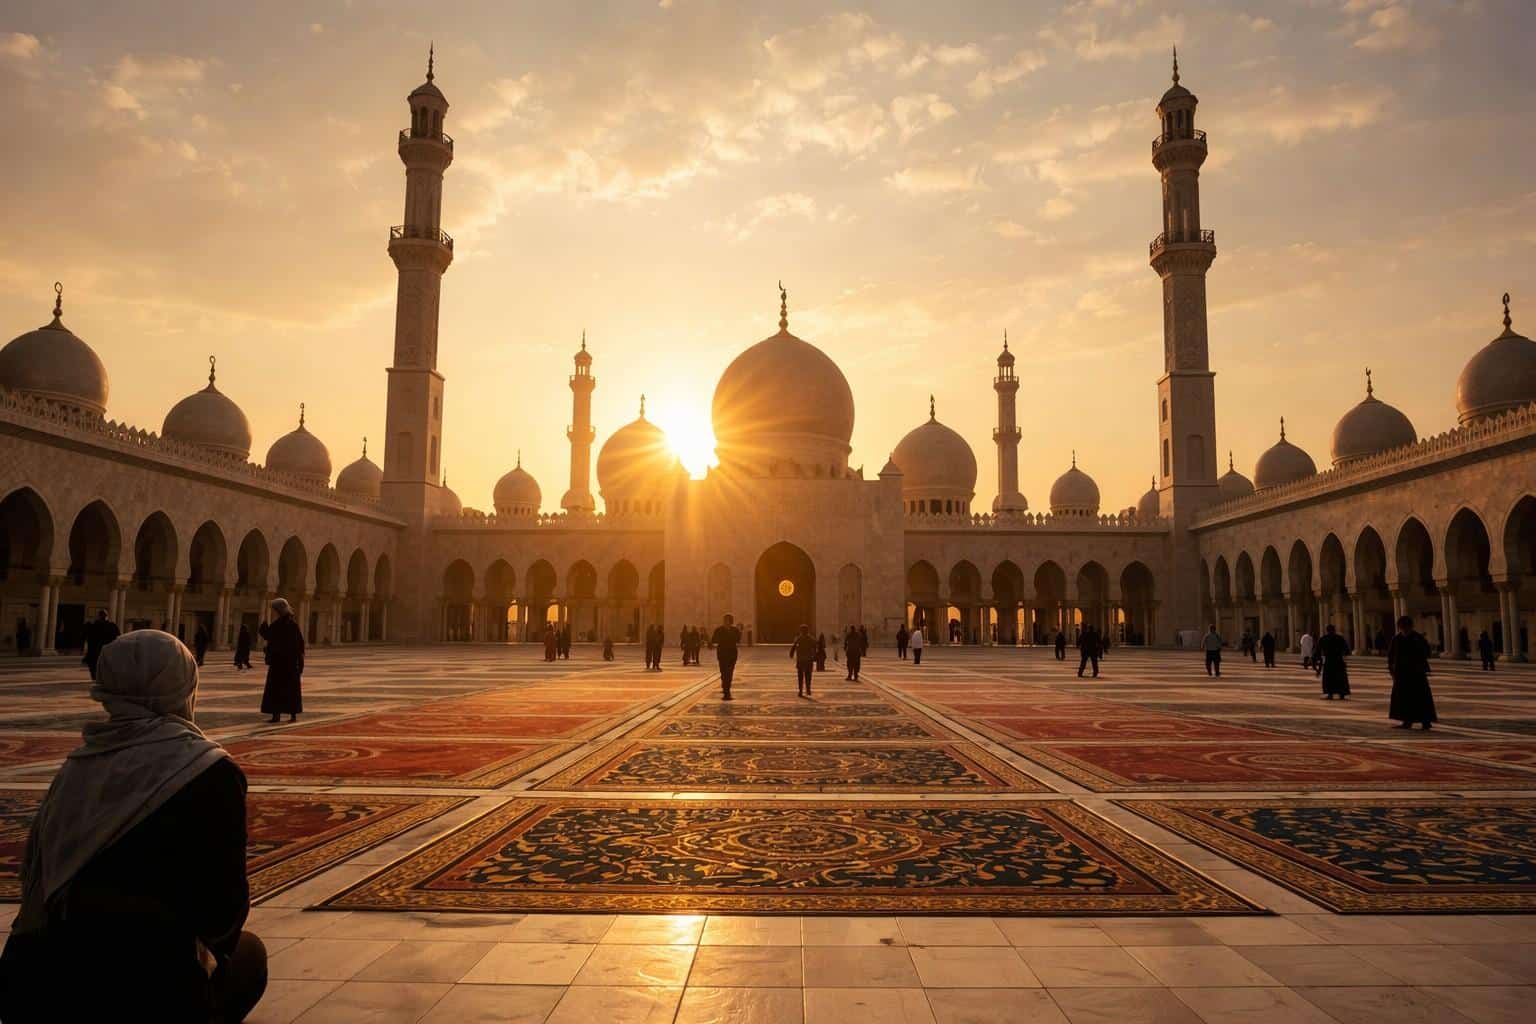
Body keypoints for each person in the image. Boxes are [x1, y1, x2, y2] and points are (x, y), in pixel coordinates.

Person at [0, 630, 267, 1023]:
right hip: (149, 988)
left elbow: (36, 881)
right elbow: (223, 912)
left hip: (37, 982)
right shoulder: (208, 770)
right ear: (185, 684)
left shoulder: (78, 765)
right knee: (250, 954)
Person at [1387, 614, 1437, 730]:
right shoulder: (1397, 639)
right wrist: (1392, 670)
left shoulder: (1417, 638)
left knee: (1420, 698)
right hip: (1401, 674)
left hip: (1416, 674)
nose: (1404, 629)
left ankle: (1426, 721)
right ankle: (1407, 721)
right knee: (1404, 698)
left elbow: (1426, 652)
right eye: (1402, 627)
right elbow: (1391, 656)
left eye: (1405, 627)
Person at [260, 599, 305, 724]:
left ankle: (276, 715)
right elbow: (300, 644)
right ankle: (293, 714)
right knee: (291, 689)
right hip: (290, 663)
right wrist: (299, 661)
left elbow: (270, 637)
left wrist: (264, 629)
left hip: (279, 663)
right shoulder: (292, 624)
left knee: (276, 689)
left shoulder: (279, 625)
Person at [81, 609, 119, 680]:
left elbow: (84, 635)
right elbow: (117, 638)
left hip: (94, 653)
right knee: (104, 670)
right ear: (106, 616)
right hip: (106, 652)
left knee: (94, 670)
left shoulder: (92, 626)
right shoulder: (112, 626)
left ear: (98, 616)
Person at [1316, 623, 1351, 699]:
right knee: (1340, 677)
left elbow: (1317, 651)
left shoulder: (1323, 638)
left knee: (1329, 678)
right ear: (1334, 630)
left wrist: (1318, 667)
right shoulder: (1340, 638)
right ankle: (1342, 694)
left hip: (1329, 661)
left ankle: (1330, 694)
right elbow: (1347, 651)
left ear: (1327, 630)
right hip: (1338, 661)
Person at [711, 614, 741, 700]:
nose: (726, 622)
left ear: (731, 621)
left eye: (728, 620)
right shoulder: (719, 630)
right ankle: (726, 690)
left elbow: (738, 640)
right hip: (722, 654)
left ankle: (727, 690)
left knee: (729, 673)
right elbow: (713, 640)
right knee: (724, 673)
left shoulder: (735, 630)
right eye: (725, 620)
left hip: (732, 654)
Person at [790, 624, 817, 697]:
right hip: (808, 659)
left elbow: (793, 647)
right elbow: (815, 647)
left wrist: (791, 654)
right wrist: (814, 656)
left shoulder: (798, 638)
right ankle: (808, 689)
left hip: (801, 659)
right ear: (808, 631)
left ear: (801, 631)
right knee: (808, 675)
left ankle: (800, 690)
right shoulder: (811, 639)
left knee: (800, 676)